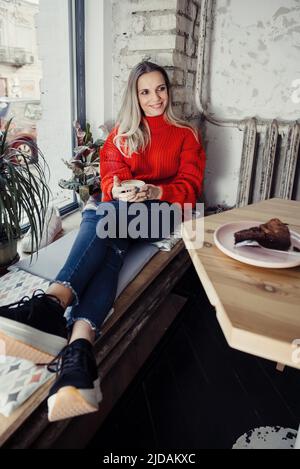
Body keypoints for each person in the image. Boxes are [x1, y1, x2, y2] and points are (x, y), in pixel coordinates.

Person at [0, 61, 206, 421]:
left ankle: (52, 304)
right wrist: (123, 190)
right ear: (135, 95)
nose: (155, 98)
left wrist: (157, 189)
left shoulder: (185, 133)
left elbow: (191, 186)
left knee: (98, 215)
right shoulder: (121, 135)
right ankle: (79, 356)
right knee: (110, 237)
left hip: (165, 215)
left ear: (169, 91)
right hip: (123, 218)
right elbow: (111, 178)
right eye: (145, 91)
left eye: (161, 89)